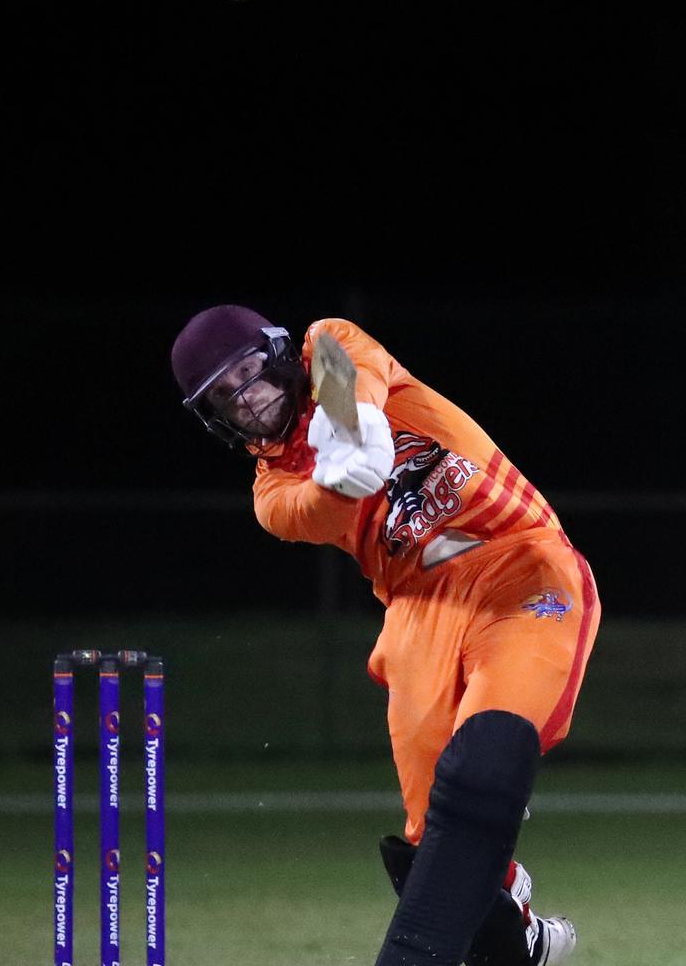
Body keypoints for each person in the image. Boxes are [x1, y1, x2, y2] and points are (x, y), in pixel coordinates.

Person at [170, 304, 601, 966]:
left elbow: (345, 364)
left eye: (249, 374)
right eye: (226, 398)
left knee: (483, 764)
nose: (248, 400)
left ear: (277, 354)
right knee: (436, 839)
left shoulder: (328, 343)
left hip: (519, 563)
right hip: (418, 612)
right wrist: (339, 477)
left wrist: (357, 425)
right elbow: (316, 509)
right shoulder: (273, 495)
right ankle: (518, 936)